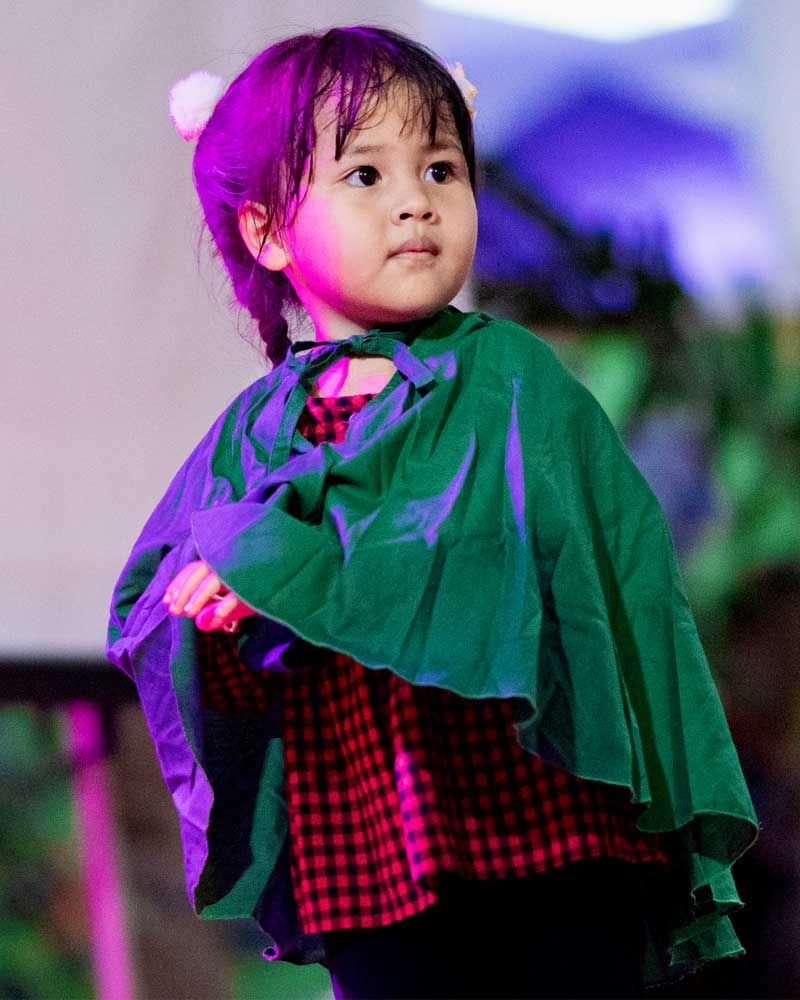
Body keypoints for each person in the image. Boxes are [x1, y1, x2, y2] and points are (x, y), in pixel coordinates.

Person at [107, 25, 758, 1000]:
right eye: (364, 175)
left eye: (440, 167)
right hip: (368, 852)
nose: (415, 198)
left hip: (545, 833)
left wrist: (289, 563)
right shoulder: (258, 432)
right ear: (268, 230)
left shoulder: (507, 380)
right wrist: (225, 611)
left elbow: (492, 550)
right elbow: (164, 610)